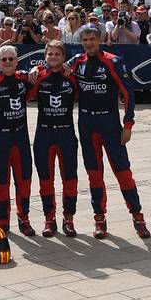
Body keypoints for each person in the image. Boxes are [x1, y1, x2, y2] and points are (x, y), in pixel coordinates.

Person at [67, 25, 149, 239]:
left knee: (123, 173)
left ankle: (138, 217)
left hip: (110, 124)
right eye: (85, 39)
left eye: (92, 39)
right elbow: (53, 67)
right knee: (94, 175)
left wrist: (128, 124)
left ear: (100, 39)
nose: (89, 43)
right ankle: (99, 219)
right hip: (86, 124)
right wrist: (35, 71)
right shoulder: (76, 61)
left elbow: (128, 93)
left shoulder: (113, 61)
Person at [0, 45, 35, 236]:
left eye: (12, 59)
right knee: (1, 181)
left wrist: (34, 70)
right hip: (0, 140)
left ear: (17, 62)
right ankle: (3, 220)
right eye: (4, 60)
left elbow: (42, 73)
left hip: (20, 138)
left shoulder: (22, 79)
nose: (8, 62)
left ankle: (24, 218)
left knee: (24, 180)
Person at [28, 41, 79, 237]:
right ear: (45, 56)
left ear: (63, 57)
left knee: (70, 178)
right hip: (44, 134)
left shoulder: (71, 77)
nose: (53, 57)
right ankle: (49, 219)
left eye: (57, 54)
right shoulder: (39, 76)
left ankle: (69, 218)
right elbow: (24, 92)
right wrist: (36, 68)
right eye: (50, 54)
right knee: (45, 179)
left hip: (66, 133)